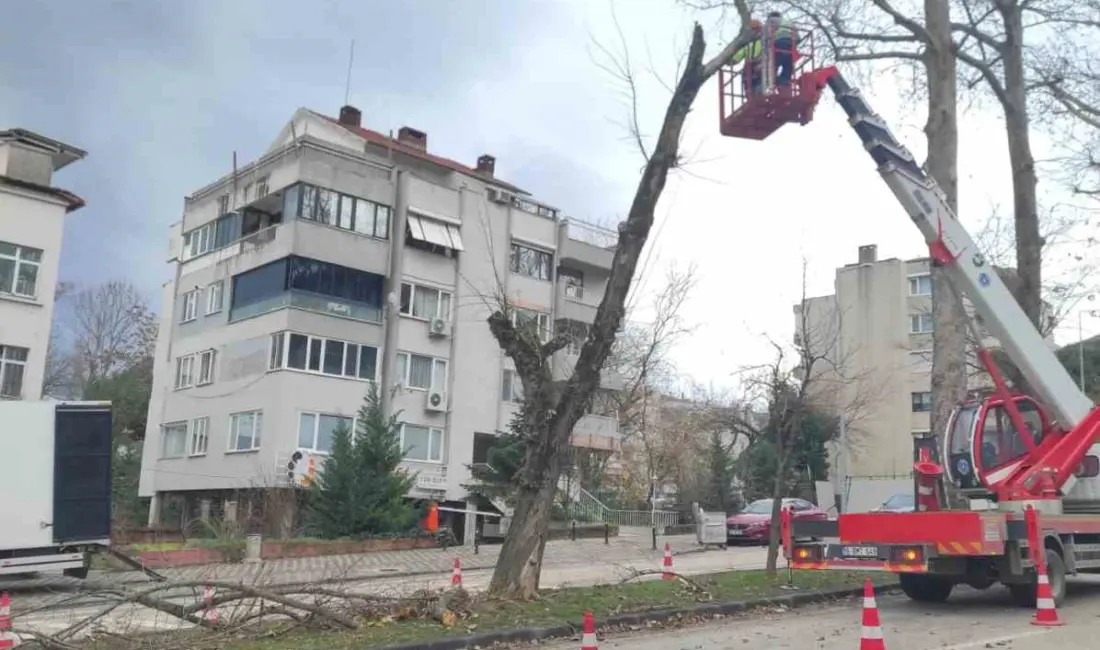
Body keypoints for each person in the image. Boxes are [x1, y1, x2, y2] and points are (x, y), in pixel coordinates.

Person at [766, 11, 799, 88]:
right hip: (790, 45)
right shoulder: (790, 23)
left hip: (779, 43)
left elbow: (766, 34)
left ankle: (773, 80)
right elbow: (798, 37)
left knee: (775, 63)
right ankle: (784, 81)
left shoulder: (771, 20)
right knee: (788, 64)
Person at [732, 19, 764, 95]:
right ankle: (752, 96)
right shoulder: (749, 44)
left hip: (758, 66)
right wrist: (731, 60)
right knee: (748, 83)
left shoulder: (764, 41)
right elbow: (738, 56)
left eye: (754, 30)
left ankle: (756, 96)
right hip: (750, 68)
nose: (753, 32)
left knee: (757, 84)